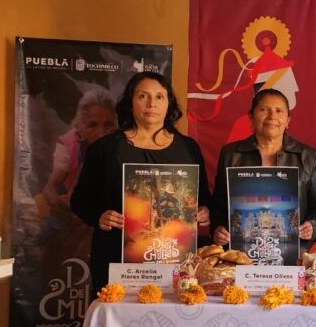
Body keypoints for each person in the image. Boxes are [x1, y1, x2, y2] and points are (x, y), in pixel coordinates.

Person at [71, 72, 211, 296]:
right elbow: (79, 200)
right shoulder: (105, 148)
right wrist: (99, 216)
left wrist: (204, 211)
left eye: (159, 96)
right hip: (116, 259)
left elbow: (203, 197)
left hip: (174, 261)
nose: (151, 103)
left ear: (168, 103)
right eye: (143, 96)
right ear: (130, 102)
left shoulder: (188, 148)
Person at [210, 88, 316, 250]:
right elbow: (218, 205)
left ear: (288, 120)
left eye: (279, 111)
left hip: (294, 251)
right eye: (263, 110)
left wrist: (312, 226)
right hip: (242, 252)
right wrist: (219, 229)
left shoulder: (309, 156)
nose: (272, 116)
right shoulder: (231, 154)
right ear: (251, 117)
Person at [41, 89, 118, 210]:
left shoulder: (120, 145)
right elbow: (50, 189)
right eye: (92, 125)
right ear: (81, 125)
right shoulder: (70, 146)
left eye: (107, 125)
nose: (101, 133)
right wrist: (61, 203)